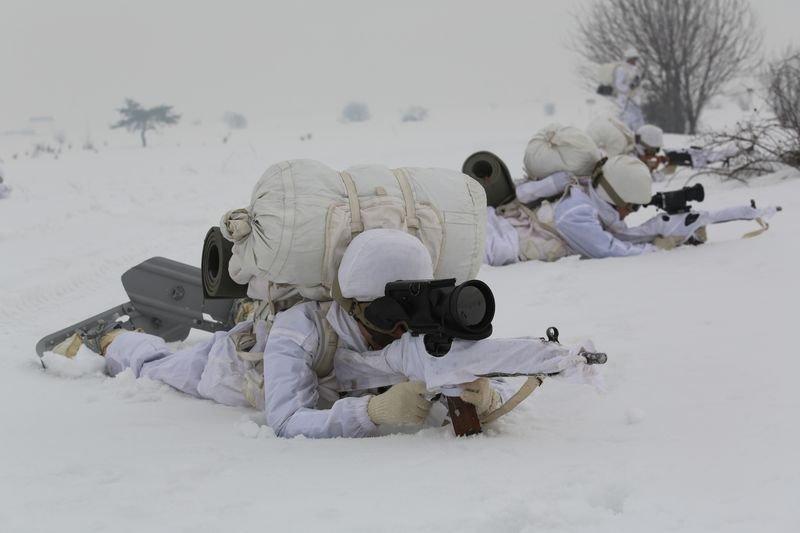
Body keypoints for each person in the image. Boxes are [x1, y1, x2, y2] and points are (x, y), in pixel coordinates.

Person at [50, 229, 602, 438]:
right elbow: (286, 419)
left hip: (331, 379)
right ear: (358, 301)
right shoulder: (302, 327)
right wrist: (373, 414)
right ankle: (111, 339)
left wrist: (485, 393)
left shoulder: (413, 334)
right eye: (390, 316)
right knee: (164, 366)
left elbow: (465, 358)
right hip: (244, 371)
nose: (404, 330)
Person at [614, 48, 645, 132]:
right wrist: (629, 87)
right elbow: (619, 84)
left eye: (636, 59)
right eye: (633, 59)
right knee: (626, 125)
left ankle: (639, 143)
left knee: (639, 126)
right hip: (626, 102)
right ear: (629, 58)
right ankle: (627, 142)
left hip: (635, 100)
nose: (635, 61)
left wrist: (637, 83)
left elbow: (637, 85)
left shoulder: (635, 70)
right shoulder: (621, 69)